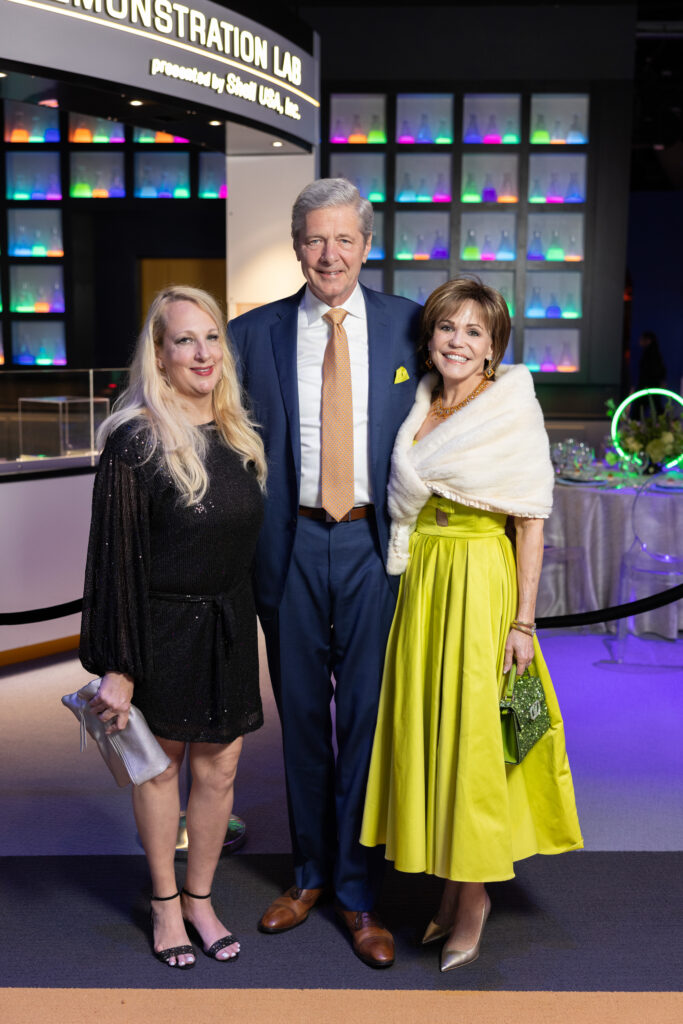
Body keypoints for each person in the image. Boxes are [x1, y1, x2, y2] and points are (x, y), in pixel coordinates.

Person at [360, 278, 583, 972]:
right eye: (447, 328)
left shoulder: (506, 410)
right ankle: (450, 888)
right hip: (423, 580)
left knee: (477, 739)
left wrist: (523, 621)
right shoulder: (419, 403)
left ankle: (473, 897)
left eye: (474, 333)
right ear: (429, 339)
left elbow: (530, 521)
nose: (458, 341)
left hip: (480, 582)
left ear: (492, 350)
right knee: (433, 734)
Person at [229, 178, 421, 967]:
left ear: (366, 246)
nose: (329, 254)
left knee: (369, 723)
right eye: (315, 239)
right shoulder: (252, 334)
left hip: (378, 545)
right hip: (293, 544)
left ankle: (356, 891)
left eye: (344, 239)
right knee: (303, 720)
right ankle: (307, 875)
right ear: (297, 244)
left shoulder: (411, 327)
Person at [80, 285, 267, 969]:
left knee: (219, 774)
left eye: (211, 336)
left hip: (226, 626)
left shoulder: (237, 434)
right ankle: (164, 905)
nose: (201, 351)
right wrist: (119, 665)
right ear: (158, 355)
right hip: (160, 630)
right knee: (160, 774)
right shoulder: (135, 441)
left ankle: (200, 899)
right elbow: (113, 563)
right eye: (184, 339)